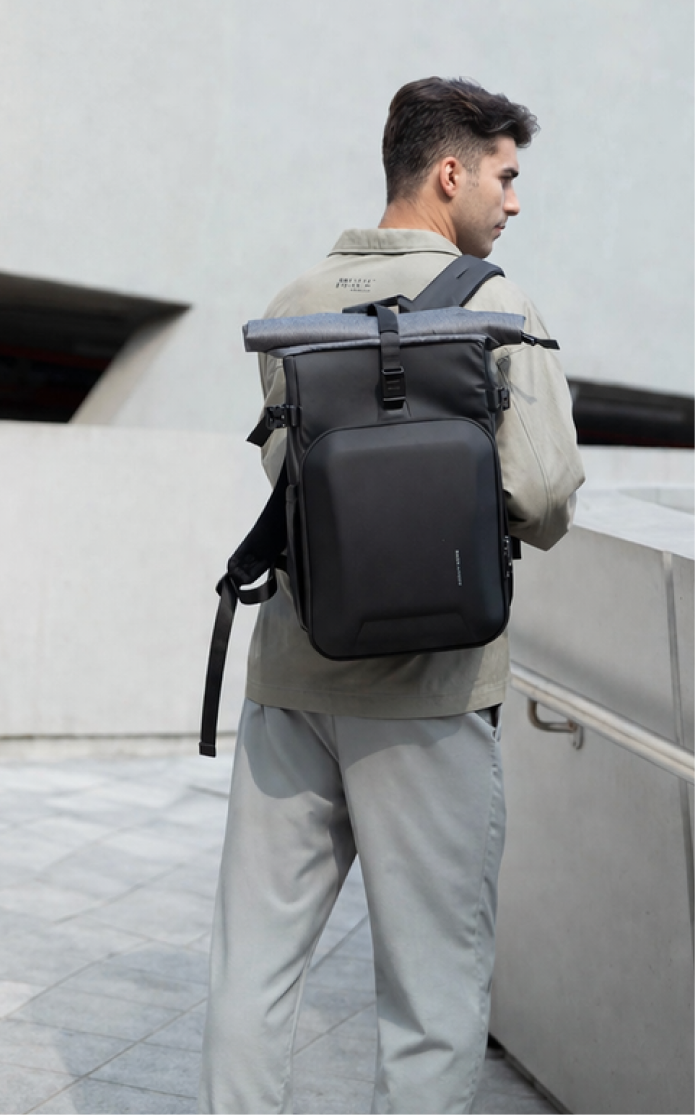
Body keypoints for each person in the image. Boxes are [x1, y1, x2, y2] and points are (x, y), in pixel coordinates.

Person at [198, 77, 585, 1115]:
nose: (513, 202)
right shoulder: (496, 304)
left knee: (253, 963)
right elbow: (544, 496)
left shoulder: (289, 304)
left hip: (293, 672)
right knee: (430, 990)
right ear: (448, 171)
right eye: (504, 176)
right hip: (428, 692)